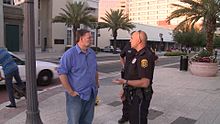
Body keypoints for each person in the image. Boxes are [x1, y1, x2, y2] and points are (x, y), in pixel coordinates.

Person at [57, 29, 99, 124]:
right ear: (81, 38)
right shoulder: (69, 54)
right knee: (74, 121)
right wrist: (71, 92)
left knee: (87, 120)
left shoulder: (92, 53)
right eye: (89, 37)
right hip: (77, 95)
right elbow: (62, 74)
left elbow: (95, 69)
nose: (91, 39)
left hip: (91, 93)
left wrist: (96, 85)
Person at [113, 30, 155, 124]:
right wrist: (125, 89)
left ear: (139, 41)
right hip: (133, 94)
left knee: (138, 120)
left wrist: (125, 82)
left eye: (132, 38)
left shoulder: (144, 57)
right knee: (133, 119)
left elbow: (145, 82)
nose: (130, 40)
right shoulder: (137, 54)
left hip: (140, 96)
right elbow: (133, 75)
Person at [118, 42, 136, 124]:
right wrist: (124, 66)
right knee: (125, 96)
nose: (131, 39)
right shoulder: (128, 45)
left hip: (136, 77)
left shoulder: (142, 46)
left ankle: (134, 117)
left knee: (135, 98)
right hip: (126, 75)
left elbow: (155, 59)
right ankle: (125, 116)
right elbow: (121, 56)